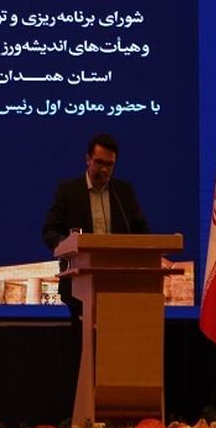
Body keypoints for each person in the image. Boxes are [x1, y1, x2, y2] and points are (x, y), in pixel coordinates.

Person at [41, 133, 149, 403]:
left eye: (109, 164)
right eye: (99, 162)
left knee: (118, 355)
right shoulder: (68, 191)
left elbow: (142, 231)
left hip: (119, 288)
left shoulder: (124, 192)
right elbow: (49, 230)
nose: (104, 170)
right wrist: (67, 245)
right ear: (87, 159)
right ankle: (83, 410)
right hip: (80, 287)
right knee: (83, 354)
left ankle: (114, 407)